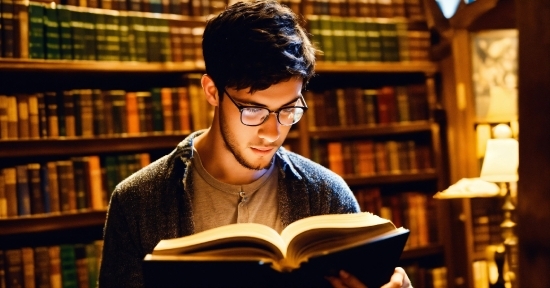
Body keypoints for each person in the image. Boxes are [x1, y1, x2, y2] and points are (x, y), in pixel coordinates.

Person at [98, 1, 412, 287]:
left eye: (288, 110)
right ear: (212, 92)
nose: (272, 133)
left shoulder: (327, 195)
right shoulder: (137, 202)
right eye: (254, 110)